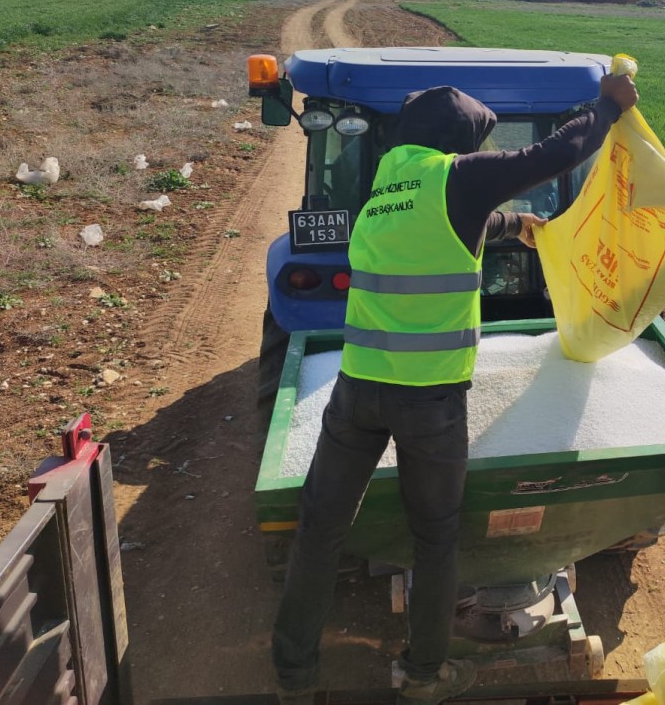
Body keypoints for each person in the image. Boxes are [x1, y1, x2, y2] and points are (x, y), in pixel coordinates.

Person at [272, 72, 640, 705]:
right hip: (430, 403)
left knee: (321, 530)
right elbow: (552, 156)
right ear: (456, 143)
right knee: (435, 538)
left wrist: (513, 223)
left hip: (357, 392)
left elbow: (452, 227)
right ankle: (423, 676)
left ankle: (294, 678)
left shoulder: (388, 187)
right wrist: (606, 108)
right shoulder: (458, 177)